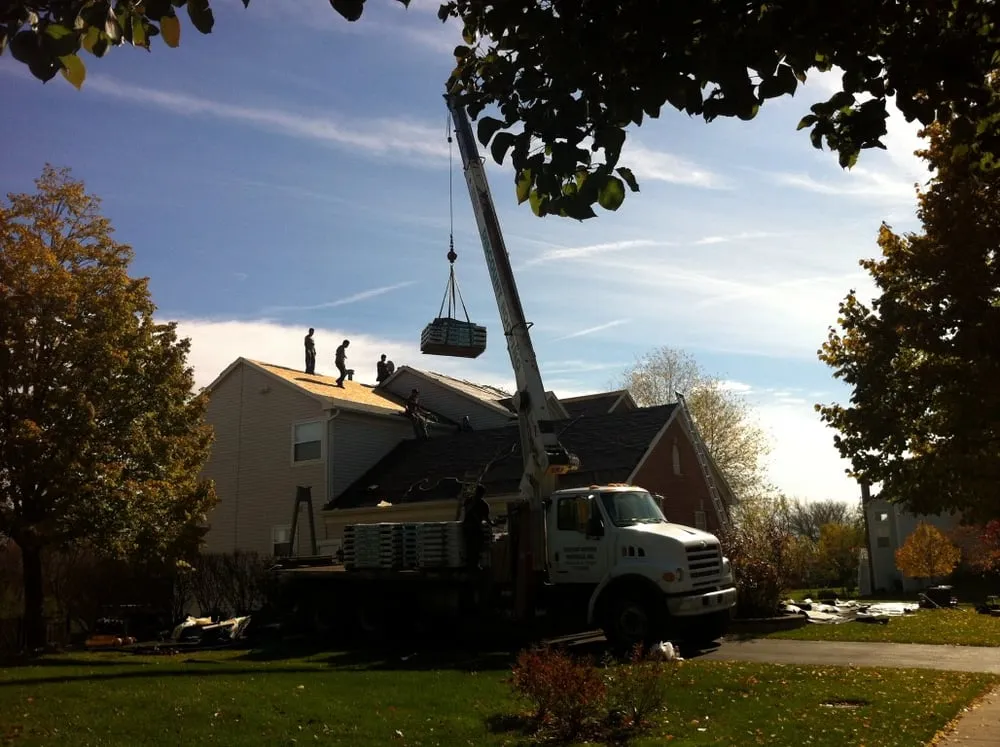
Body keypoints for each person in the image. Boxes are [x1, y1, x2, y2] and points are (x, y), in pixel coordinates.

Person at [461, 483, 491, 571]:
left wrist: (492, 524)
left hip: (476, 528)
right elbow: (466, 511)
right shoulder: (469, 501)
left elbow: (486, 517)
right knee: (470, 547)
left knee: (476, 547)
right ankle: (470, 565)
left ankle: (474, 564)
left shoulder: (484, 504)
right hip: (470, 528)